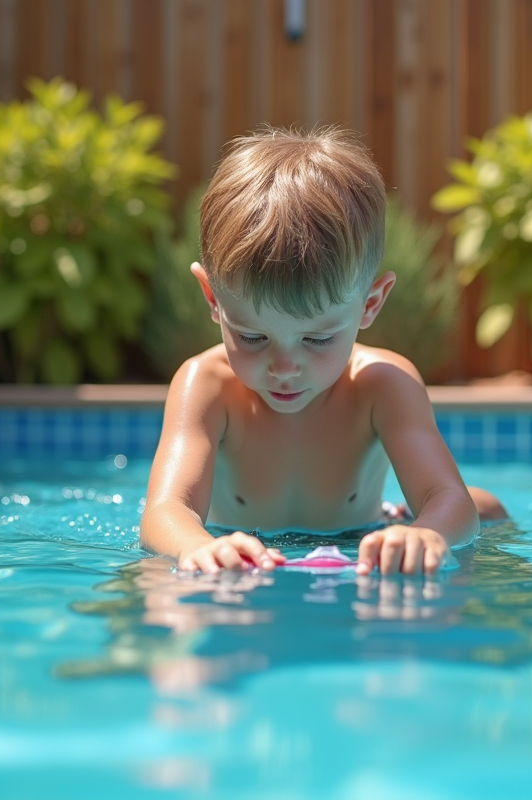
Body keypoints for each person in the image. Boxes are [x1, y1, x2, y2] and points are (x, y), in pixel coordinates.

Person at [140, 127, 506, 577]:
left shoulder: (382, 384)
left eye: (317, 340)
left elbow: (450, 500)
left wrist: (427, 533)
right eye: (253, 338)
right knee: (163, 591)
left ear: (370, 304)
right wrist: (198, 546)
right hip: (232, 536)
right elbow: (164, 511)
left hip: (359, 535)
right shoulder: (207, 386)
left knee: (488, 510)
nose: (285, 367)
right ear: (212, 298)